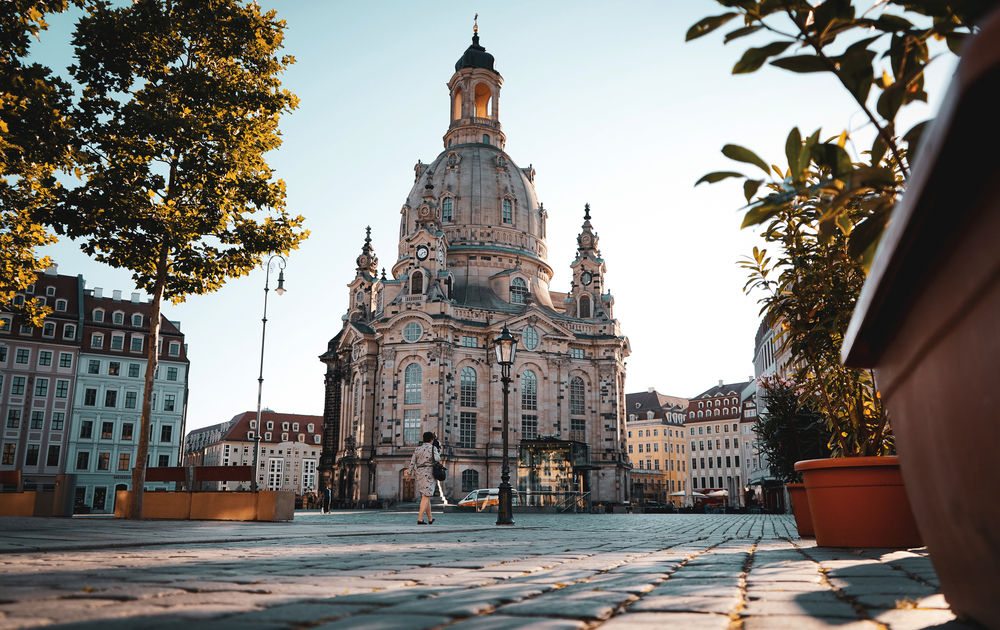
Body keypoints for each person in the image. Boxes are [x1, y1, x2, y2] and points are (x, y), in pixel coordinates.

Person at [407, 431, 440, 524]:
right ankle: (420, 518)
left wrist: (409, 474)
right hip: (429, 473)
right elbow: (437, 459)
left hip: (419, 473)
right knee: (426, 495)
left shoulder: (417, 449)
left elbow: (412, 462)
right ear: (431, 439)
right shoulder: (432, 448)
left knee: (426, 495)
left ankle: (430, 518)